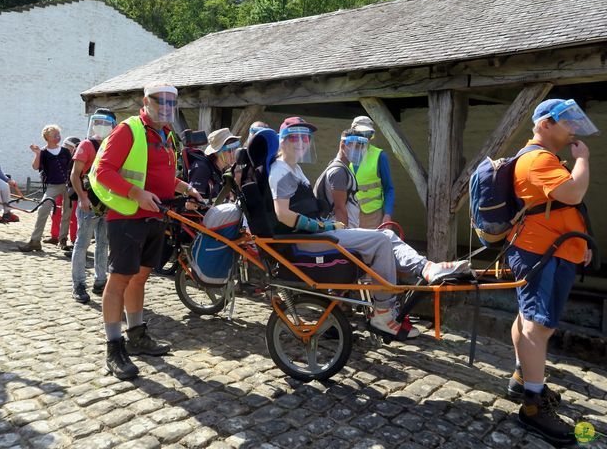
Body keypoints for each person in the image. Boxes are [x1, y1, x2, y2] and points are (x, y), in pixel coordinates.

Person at [269, 116, 471, 339]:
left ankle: (427, 268)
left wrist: (323, 225)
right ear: (283, 141)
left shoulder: (293, 169)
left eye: (306, 138)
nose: (302, 143)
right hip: (305, 242)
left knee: (386, 234)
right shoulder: (281, 171)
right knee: (381, 240)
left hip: (316, 235)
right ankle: (383, 312)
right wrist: (319, 225)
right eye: (296, 137)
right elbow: (283, 214)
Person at [89, 84, 202, 380]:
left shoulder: (166, 135)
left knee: (140, 277)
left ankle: (137, 335)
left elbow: (161, 175)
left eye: (171, 103)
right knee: (120, 280)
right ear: (146, 102)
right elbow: (103, 170)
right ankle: (114, 347)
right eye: (160, 102)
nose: (166, 108)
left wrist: (185, 187)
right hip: (127, 216)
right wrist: (136, 193)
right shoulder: (129, 130)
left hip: (156, 215)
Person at [505, 99, 598, 446]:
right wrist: (584, 159)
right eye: (567, 122)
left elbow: (557, 206)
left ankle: (521, 378)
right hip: (540, 252)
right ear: (545, 124)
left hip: (549, 249)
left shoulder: (542, 158)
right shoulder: (538, 159)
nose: (572, 129)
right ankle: (532, 405)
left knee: (528, 318)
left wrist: (579, 241)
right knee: (538, 327)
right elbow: (573, 193)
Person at [69, 110, 116, 304]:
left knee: (103, 244)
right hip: (89, 203)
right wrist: (82, 198)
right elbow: (75, 174)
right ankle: (79, 284)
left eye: (105, 124)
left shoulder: (114, 146)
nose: (101, 127)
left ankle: (101, 280)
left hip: (108, 203)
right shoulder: (86, 145)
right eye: (97, 122)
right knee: (82, 244)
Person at [18, 125, 73, 252]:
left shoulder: (65, 151)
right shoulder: (43, 152)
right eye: (55, 135)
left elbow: (72, 167)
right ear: (47, 137)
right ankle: (35, 241)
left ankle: (63, 240)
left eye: (59, 134)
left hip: (68, 184)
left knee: (67, 213)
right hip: (53, 186)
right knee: (43, 210)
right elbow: (35, 167)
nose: (58, 137)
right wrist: (37, 154)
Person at [350, 116, 395, 229]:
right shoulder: (345, 153)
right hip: (350, 212)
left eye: (369, 134)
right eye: (361, 134)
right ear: (352, 133)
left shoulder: (380, 156)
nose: (365, 138)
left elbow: (388, 188)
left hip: (373, 215)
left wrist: (387, 214)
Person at [187, 127, 240, 203]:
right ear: (217, 152)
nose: (234, 152)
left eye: (236, 147)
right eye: (230, 150)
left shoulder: (223, 170)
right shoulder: (202, 168)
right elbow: (191, 203)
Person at [46, 136, 80, 248]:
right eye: (65, 146)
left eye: (69, 146)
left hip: (71, 189)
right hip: (59, 186)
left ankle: (73, 238)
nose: (65, 148)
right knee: (56, 211)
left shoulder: (78, 159)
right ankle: (55, 236)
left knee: (71, 215)